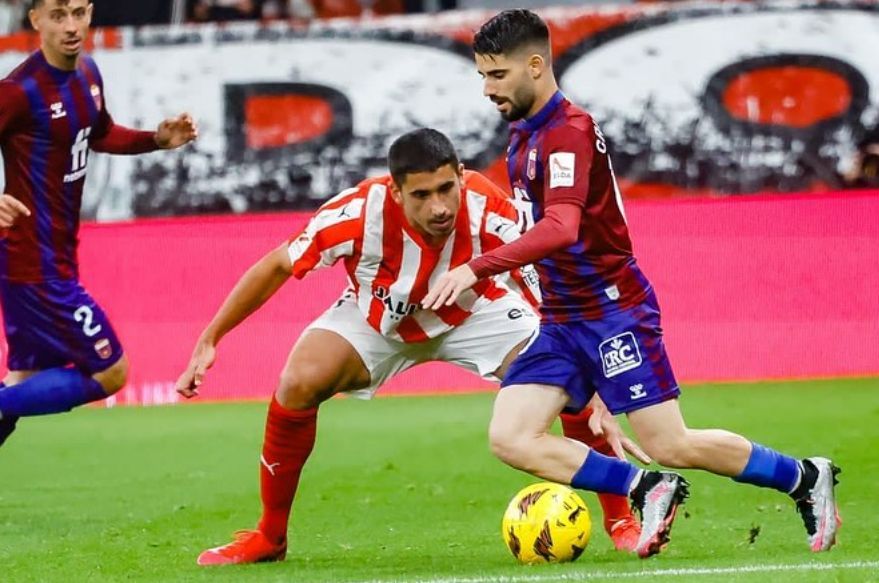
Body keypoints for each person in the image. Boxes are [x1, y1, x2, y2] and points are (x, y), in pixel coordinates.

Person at [423, 9, 841, 557]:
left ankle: (802, 478)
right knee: (510, 436)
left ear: (534, 64)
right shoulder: (523, 137)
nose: (486, 88)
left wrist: (476, 268)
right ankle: (643, 486)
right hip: (563, 319)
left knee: (671, 443)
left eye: (496, 75)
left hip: (611, 311)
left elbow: (561, 227)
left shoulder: (568, 132)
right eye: (482, 75)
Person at [176, 128, 658, 566]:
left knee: (564, 378)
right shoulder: (357, 214)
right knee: (299, 380)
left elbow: (546, 278)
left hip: (476, 311)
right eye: (422, 195)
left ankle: (621, 520)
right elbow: (277, 265)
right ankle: (270, 537)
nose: (439, 207)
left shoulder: (489, 208)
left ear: (462, 178)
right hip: (377, 319)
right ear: (395, 190)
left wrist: (590, 384)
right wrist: (211, 337)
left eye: (447, 189)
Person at [0, 0, 198, 446]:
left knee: (23, 381)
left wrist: (156, 140)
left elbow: (99, 132)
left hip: (50, 259)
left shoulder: (87, 74)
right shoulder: (18, 91)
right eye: (57, 15)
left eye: (79, 12)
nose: (71, 26)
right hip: (36, 266)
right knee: (111, 371)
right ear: (35, 20)